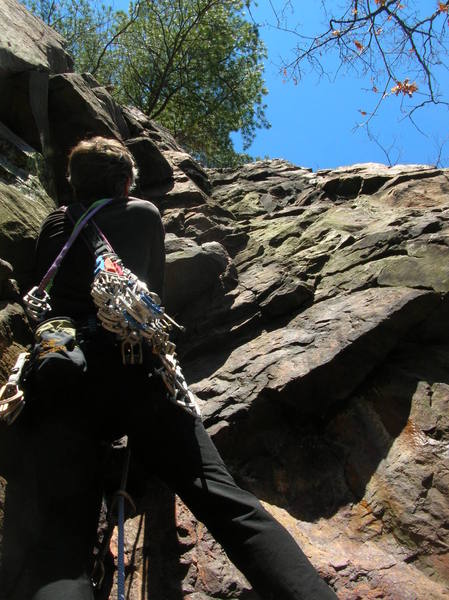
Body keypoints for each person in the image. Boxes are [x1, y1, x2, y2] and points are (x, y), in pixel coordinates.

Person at [0, 137, 337, 600]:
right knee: (229, 508)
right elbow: (148, 298)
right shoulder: (141, 214)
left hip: (63, 377)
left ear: (75, 183)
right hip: (137, 375)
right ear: (123, 183)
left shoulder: (56, 224)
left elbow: (48, 300)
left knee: (59, 551)